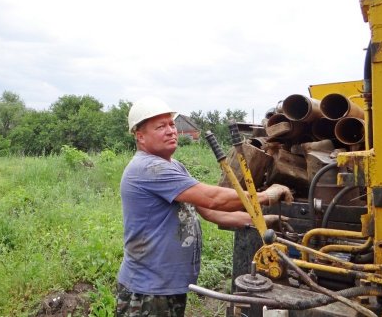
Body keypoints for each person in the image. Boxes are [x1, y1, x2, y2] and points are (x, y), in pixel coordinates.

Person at [115, 96, 294, 317]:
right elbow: (212, 198)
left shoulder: (173, 166)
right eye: (161, 127)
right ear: (140, 136)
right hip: (147, 290)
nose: (171, 130)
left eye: (171, 124)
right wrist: (265, 196)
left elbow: (209, 212)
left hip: (166, 285)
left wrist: (256, 220)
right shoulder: (148, 168)